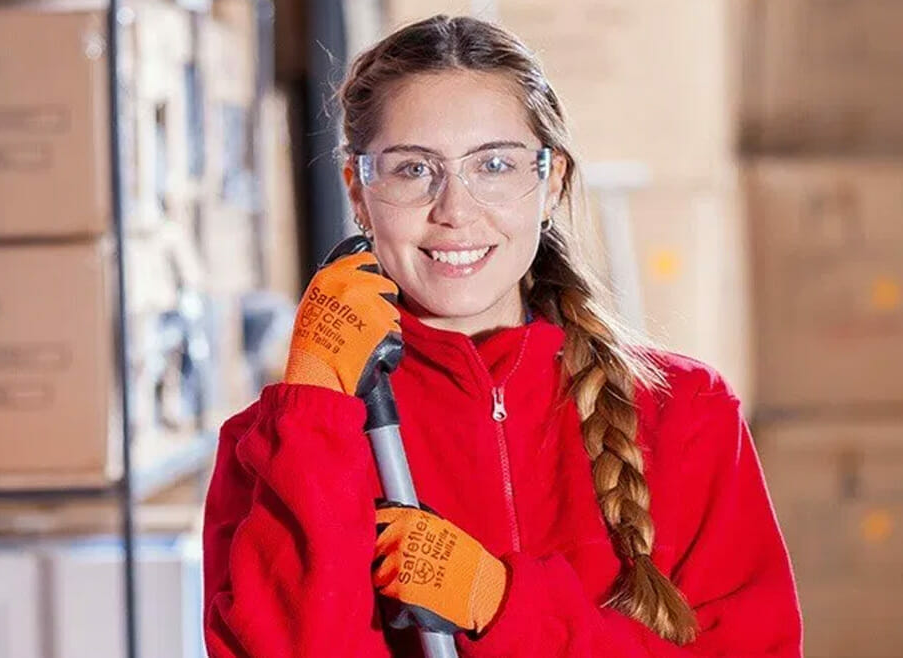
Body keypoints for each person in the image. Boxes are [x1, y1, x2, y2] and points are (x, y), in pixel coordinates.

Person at [202, 14, 802, 657]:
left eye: (493, 165)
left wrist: (502, 603)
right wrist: (317, 403)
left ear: (552, 183)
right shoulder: (276, 443)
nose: (455, 211)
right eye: (412, 169)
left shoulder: (686, 411)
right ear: (358, 190)